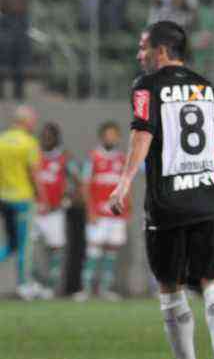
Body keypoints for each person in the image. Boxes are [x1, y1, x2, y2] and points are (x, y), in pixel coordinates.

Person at [107, 21, 214, 359]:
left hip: (168, 202)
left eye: (143, 47)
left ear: (162, 51)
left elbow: (141, 133)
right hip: (210, 196)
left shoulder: (146, 86)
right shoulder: (207, 87)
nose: (139, 55)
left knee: (170, 284)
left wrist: (123, 183)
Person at [74, 121, 129, 303]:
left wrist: (127, 210)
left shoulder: (122, 158)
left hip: (116, 214)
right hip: (97, 212)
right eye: (107, 135)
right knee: (93, 250)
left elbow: (126, 186)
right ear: (101, 136)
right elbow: (84, 185)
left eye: (114, 135)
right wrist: (89, 210)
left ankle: (105, 290)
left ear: (118, 137)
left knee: (111, 251)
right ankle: (86, 289)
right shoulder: (93, 157)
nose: (110, 138)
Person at [0, 105, 46, 300]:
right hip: (23, 199)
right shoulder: (29, 142)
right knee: (25, 245)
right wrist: (42, 197)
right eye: (33, 119)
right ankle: (24, 285)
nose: (34, 123)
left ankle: (26, 282)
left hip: (4, 198)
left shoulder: (1, 140)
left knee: (11, 244)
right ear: (25, 121)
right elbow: (34, 173)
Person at [32, 122, 81, 298]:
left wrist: (68, 199)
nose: (46, 138)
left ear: (56, 138)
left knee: (56, 250)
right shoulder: (34, 155)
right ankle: (36, 282)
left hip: (55, 212)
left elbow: (78, 180)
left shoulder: (64, 157)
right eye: (44, 135)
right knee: (29, 250)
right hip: (34, 211)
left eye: (50, 135)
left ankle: (50, 288)